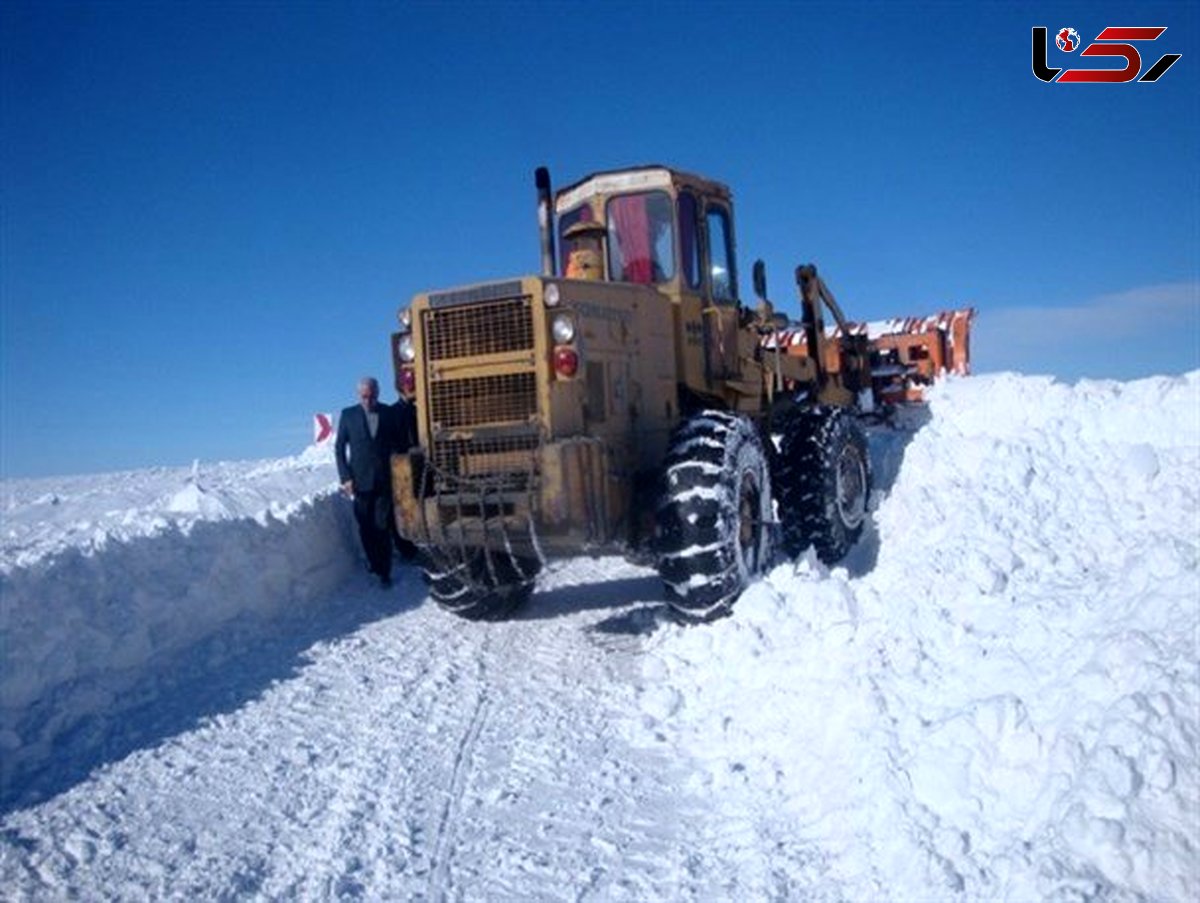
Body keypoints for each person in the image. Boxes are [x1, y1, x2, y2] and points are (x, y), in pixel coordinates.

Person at [336, 377, 406, 587]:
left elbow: (398, 443)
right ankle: (374, 563)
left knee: (382, 525)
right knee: (366, 527)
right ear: (359, 395)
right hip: (360, 482)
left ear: (378, 393)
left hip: (384, 480)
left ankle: (384, 572)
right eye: (364, 396)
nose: (368, 400)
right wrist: (346, 477)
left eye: (372, 396)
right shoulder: (348, 415)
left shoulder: (388, 413)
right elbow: (339, 448)